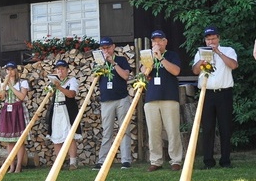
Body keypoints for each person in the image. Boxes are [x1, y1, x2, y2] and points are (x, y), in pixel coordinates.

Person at [192, 26, 238, 169]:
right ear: (205, 40)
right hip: (207, 94)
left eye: (213, 38)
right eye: (208, 39)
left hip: (224, 93)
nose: (210, 41)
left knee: (225, 127)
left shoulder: (228, 50)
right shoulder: (200, 53)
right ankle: (208, 161)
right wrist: (203, 59)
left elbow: (234, 65)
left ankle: (225, 160)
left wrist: (217, 52)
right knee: (207, 128)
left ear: (218, 38)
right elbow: (194, 71)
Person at [142, 30, 183, 172]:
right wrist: (152, 59)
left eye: (160, 40)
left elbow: (176, 71)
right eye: (154, 41)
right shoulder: (148, 56)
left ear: (165, 42)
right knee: (153, 131)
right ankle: (156, 160)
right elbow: (144, 73)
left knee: (172, 130)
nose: (157, 43)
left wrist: (161, 58)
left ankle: (176, 160)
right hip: (151, 98)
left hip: (169, 97)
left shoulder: (172, 55)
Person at [93, 37, 133, 171]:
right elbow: (95, 78)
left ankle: (126, 160)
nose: (106, 50)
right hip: (106, 100)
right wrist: (101, 65)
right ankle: (102, 160)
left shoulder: (121, 60)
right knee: (107, 132)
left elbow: (126, 76)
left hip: (121, 98)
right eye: (103, 48)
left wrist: (113, 62)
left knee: (124, 130)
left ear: (113, 47)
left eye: (108, 48)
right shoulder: (99, 62)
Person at [46, 60, 80, 171]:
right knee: (56, 136)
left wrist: (59, 87)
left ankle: (73, 162)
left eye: (63, 69)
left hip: (67, 110)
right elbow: (50, 94)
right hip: (56, 110)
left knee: (70, 136)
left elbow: (71, 94)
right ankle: (59, 163)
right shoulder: (54, 81)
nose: (60, 71)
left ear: (67, 70)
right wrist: (53, 86)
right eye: (58, 69)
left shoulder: (72, 80)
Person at [0, 61, 30, 173]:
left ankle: (18, 165)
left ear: (16, 70)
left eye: (12, 69)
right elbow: (1, 98)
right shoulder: (3, 83)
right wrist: (3, 87)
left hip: (18, 110)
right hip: (7, 110)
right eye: (8, 70)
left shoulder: (22, 83)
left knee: (19, 140)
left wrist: (10, 86)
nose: (10, 72)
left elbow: (21, 97)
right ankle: (11, 165)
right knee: (9, 141)